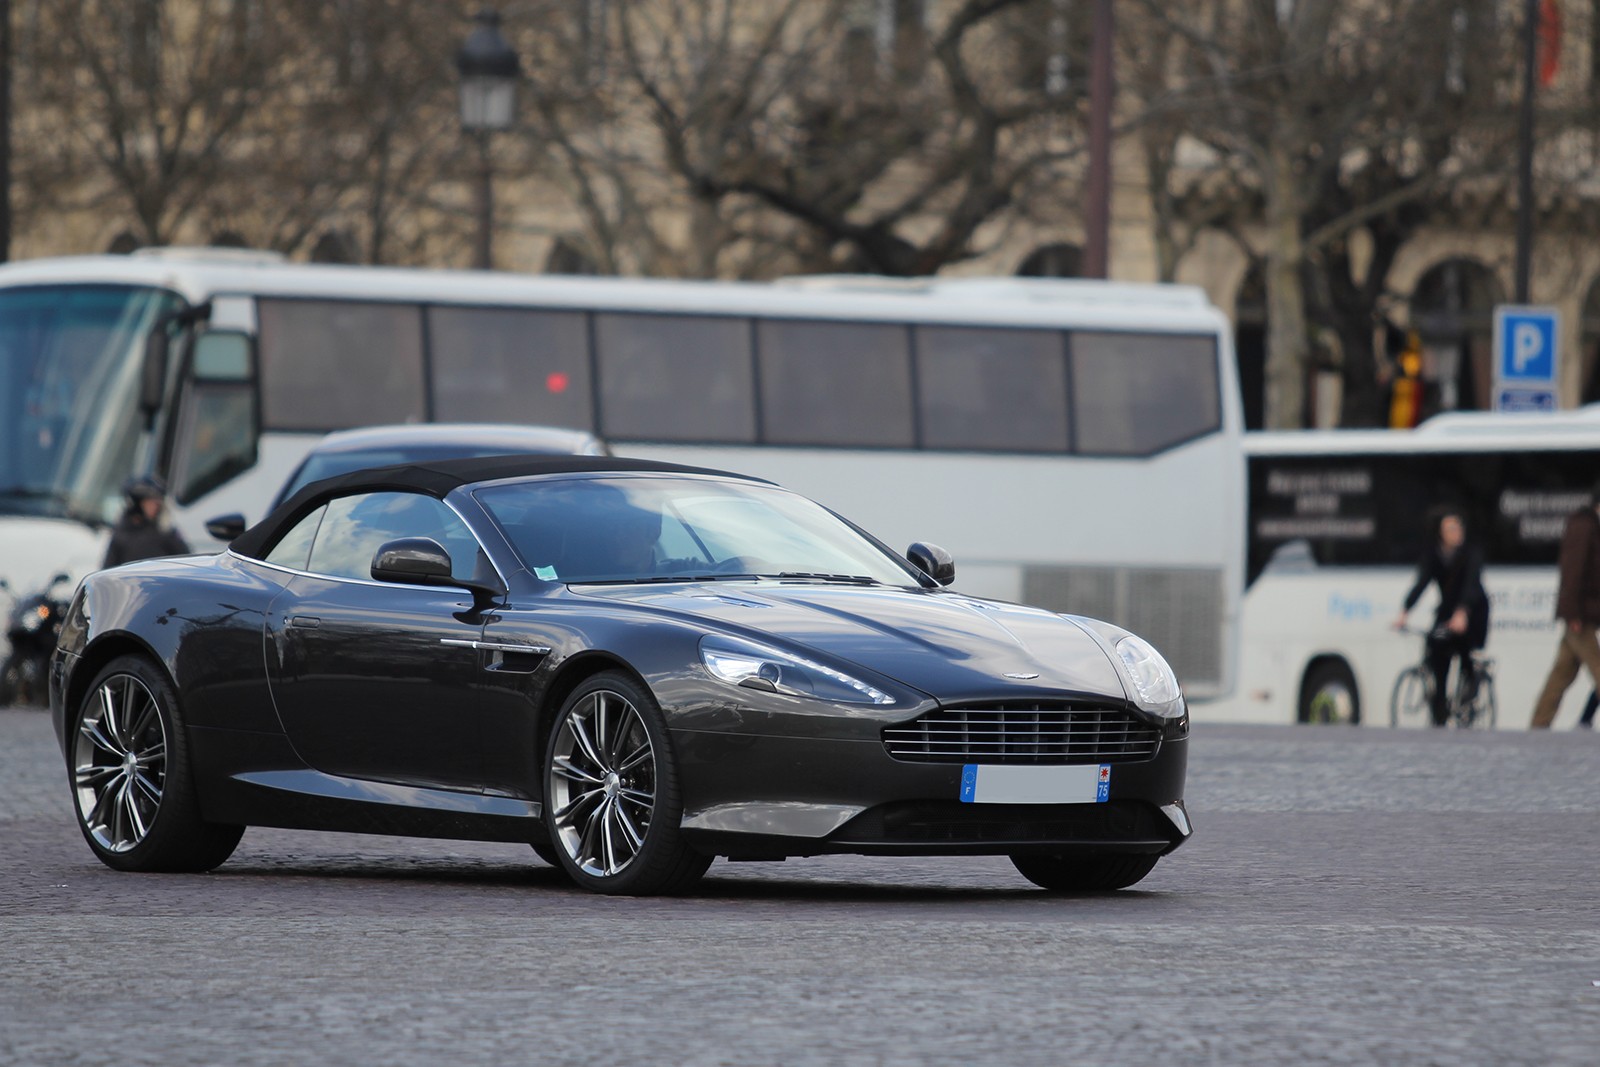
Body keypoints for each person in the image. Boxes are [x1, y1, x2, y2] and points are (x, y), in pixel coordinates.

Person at [1392, 505, 1489, 727]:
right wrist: (1405, 611)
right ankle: (1440, 705)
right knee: (1436, 644)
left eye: (1459, 528)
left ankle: (1470, 685)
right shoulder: (1434, 555)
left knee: (1462, 644)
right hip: (1447, 613)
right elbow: (1422, 583)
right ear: (1441, 533)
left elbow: (1471, 585)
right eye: (1451, 529)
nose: (1457, 533)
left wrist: (1463, 612)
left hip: (1473, 611)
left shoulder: (1471, 553)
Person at [1530, 479, 1600, 729]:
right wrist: (1573, 614)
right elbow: (1573, 571)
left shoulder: (1592, 524)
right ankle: (1538, 725)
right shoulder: (1583, 526)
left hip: (1586, 612)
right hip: (1579, 615)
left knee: (1562, 673)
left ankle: (1538, 725)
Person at [102, 476, 190, 568]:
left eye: (157, 503)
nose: (155, 507)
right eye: (150, 502)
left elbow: (185, 560)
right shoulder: (122, 533)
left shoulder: (164, 531)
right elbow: (108, 569)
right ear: (138, 505)